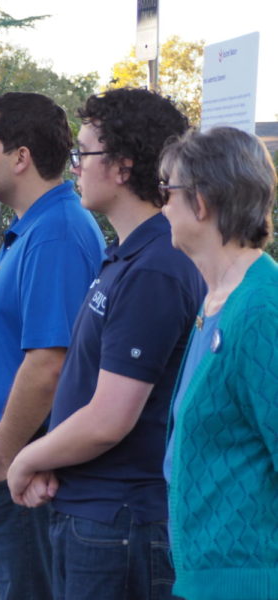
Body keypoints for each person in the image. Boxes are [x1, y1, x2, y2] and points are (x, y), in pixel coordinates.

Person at [6, 88, 204, 600]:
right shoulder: (129, 254)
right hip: (94, 512)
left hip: (119, 523)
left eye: (85, 153)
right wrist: (53, 456)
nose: (75, 166)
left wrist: (24, 458)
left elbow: (111, 417)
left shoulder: (156, 266)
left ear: (121, 166)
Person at [0, 92, 105, 600]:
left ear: (20, 157)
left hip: (19, 465)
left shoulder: (56, 234)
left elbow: (49, 365)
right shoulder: (33, 229)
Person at [158, 127, 278, 600]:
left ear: (201, 202)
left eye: (167, 190)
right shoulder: (217, 303)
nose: (162, 205)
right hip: (206, 583)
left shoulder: (262, 310)